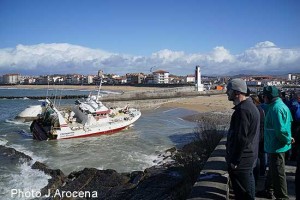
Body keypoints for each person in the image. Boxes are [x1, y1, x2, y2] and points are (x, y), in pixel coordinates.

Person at [226, 78, 260, 200]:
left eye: (228, 90)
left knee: (244, 194)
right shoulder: (250, 106)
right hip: (248, 158)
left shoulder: (243, 110)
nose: (226, 93)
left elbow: (241, 138)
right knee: (248, 191)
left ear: (236, 92)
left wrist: (234, 160)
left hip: (242, 162)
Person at [262, 86, 293, 200]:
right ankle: (269, 190)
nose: (263, 98)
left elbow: (281, 129)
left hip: (277, 146)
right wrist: (289, 138)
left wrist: (287, 139)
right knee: (274, 170)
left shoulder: (275, 109)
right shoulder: (279, 106)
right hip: (276, 145)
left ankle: (282, 197)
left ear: (269, 97)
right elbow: (287, 125)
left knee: (279, 173)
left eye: (264, 96)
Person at [250, 94, 266, 184]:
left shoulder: (257, 110)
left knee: (258, 157)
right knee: (262, 155)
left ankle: (258, 174)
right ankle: (262, 172)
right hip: (263, 135)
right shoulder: (261, 109)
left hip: (259, 136)